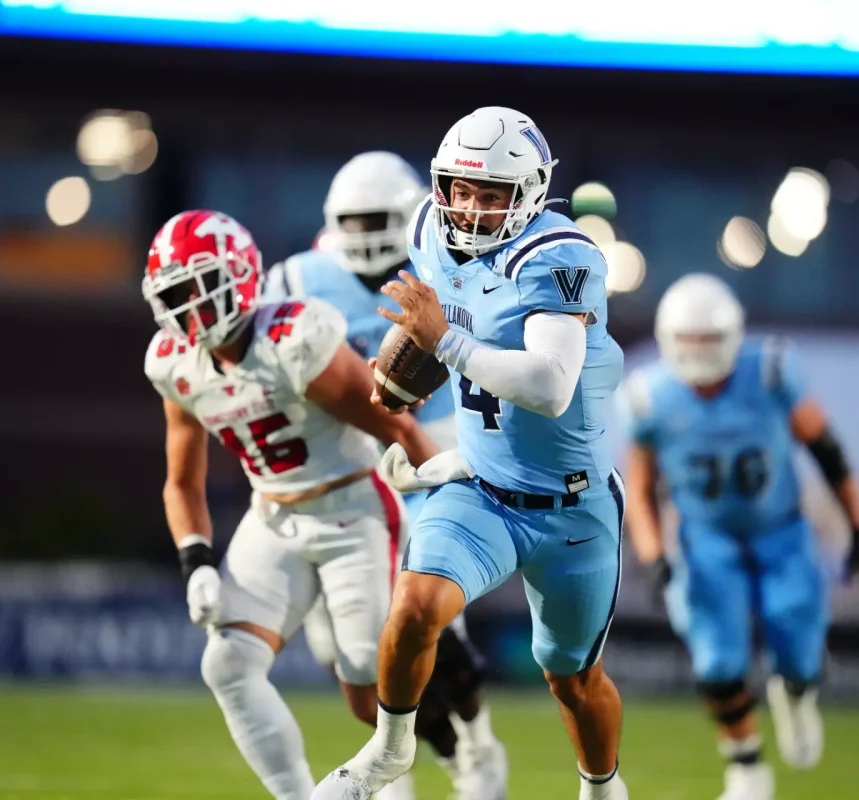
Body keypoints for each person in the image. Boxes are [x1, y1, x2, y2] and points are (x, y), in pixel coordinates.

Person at [311, 106, 628, 800]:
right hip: (481, 484)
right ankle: (389, 751)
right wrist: (409, 385)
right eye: (460, 188)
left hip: (572, 504)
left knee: (572, 681)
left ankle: (602, 786)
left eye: (491, 195)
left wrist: (443, 343)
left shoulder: (559, 256)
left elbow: (549, 385)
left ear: (533, 192)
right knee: (415, 607)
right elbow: (449, 329)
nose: (470, 207)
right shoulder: (428, 226)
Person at [141, 209, 439, 800]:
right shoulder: (173, 363)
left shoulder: (294, 339)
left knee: (367, 691)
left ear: (240, 277)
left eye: (199, 290)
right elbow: (182, 482)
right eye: (174, 294)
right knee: (226, 664)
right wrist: (196, 562)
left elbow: (397, 427)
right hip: (273, 514)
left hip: (353, 508)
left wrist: (445, 518)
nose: (187, 310)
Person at [265, 150, 507, 799]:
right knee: (357, 658)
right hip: (341, 466)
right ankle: (420, 758)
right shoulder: (295, 278)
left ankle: (476, 750)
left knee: (427, 615)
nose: (368, 232)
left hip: (435, 449)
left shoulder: (455, 268)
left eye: (380, 217)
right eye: (356, 219)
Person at [623, 273, 859, 800]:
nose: (698, 354)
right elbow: (641, 487)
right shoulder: (649, 395)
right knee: (717, 660)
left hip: (780, 532)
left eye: (708, 340)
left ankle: (796, 692)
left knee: (800, 655)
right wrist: (653, 556)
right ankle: (747, 769)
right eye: (688, 340)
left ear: (733, 336)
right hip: (707, 538)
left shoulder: (769, 371)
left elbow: (827, 450)